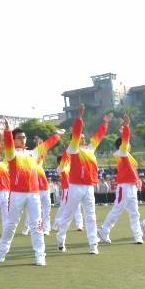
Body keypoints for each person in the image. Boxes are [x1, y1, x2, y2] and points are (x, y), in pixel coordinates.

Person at [0, 128, 59, 266]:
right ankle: (2, 251)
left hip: (34, 194)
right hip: (17, 193)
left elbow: (46, 145)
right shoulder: (11, 154)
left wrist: (57, 135)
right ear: (13, 139)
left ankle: (40, 255)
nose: (23, 139)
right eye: (19, 137)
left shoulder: (32, 153)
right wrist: (7, 130)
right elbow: (8, 143)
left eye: (24, 137)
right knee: (11, 224)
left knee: (37, 224)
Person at [56, 104, 112, 255]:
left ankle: (93, 244)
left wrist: (105, 123)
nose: (83, 138)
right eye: (80, 137)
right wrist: (79, 118)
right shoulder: (72, 150)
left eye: (83, 137)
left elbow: (98, 136)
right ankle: (61, 239)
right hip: (75, 186)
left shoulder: (90, 149)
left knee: (91, 216)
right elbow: (76, 134)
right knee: (68, 215)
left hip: (88, 187)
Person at [98, 114, 144, 245]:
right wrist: (126, 126)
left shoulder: (128, 156)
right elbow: (125, 140)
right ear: (122, 145)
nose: (129, 145)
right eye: (127, 143)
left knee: (135, 213)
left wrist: (137, 181)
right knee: (117, 210)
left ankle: (138, 236)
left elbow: (133, 170)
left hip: (132, 187)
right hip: (124, 187)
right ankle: (104, 230)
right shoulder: (121, 153)